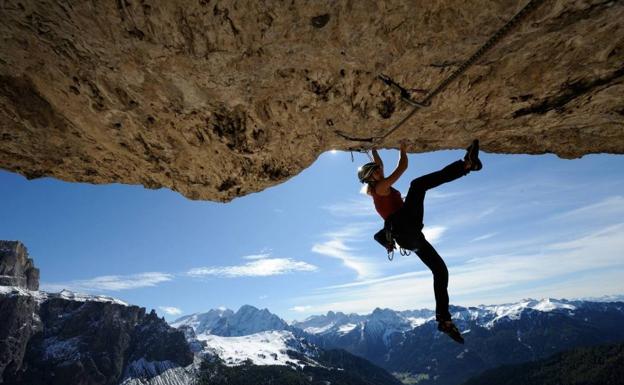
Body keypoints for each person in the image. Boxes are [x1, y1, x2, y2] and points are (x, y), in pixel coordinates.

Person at [358, 140, 482, 344]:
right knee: (417, 185)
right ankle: (467, 165)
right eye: (375, 171)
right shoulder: (380, 187)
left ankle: (444, 320)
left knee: (440, 271)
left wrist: (374, 148)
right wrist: (402, 147)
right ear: (370, 177)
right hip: (407, 227)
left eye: (378, 170)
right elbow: (403, 167)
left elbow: (380, 165)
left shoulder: (376, 188)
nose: (379, 171)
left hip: (409, 238)